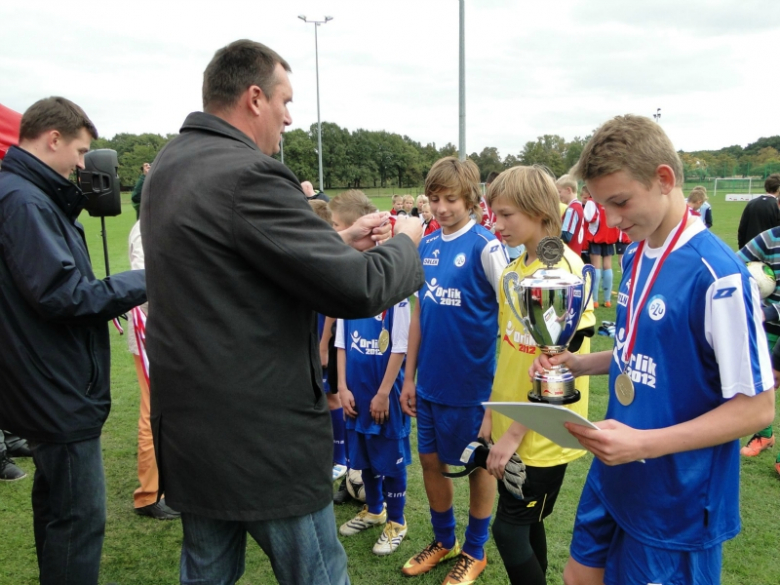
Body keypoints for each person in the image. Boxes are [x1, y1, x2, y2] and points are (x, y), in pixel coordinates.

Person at [141, 39, 424, 585]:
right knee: (317, 573)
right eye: (285, 102)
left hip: (192, 430)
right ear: (253, 98)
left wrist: (337, 241)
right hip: (260, 440)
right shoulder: (249, 174)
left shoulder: (172, 164)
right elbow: (360, 291)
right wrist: (406, 242)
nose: (289, 117)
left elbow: (232, 268)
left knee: (207, 570)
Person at [531, 114, 775, 585]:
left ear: (664, 179)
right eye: (603, 207)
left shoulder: (717, 276)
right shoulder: (637, 252)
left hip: (675, 493)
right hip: (616, 471)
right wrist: (578, 362)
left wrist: (642, 443)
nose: (615, 221)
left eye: (621, 202)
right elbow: (640, 352)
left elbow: (757, 408)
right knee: (577, 578)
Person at [0, 96, 146, 585]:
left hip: (46, 380)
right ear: (53, 138)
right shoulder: (22, 200)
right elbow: (64, 297)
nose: (83, 165)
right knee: (79, 520)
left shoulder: (27, 194)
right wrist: (146, 278)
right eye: (80, 152)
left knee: (60, 511)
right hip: (54, 387)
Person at [400, 157, 508, 585]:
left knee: (479, 468)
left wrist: (497, 397)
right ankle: (444, 540)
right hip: (429, 384)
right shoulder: (425, 244)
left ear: (471, 199)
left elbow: (513, 321)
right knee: (431, 463)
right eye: (434, 199)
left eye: (450, 199)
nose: (441, 208)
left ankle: (475, 550)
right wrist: (409, 378)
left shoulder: (487, 247)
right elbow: (419, 316)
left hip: (474, 389)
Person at [485, 165, 595, 585]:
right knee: (528, 524)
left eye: (507, 214)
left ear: (539, 212)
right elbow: (509, 349)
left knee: (508, 530)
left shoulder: (565, 269)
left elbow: (565, 351)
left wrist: (513, 435)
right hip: (511, 420)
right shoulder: (514, 272)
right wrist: (492, 417)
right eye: (494, 213)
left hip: (542, 433)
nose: (497, 224)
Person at [332, 189, 413, 556]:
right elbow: (342, 342)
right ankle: (375, 510)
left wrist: (384, 393)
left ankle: (397, 520)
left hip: (384, 393)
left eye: (336, 227)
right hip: (356, 391)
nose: (333, 234)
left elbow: (399, 345)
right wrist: (343, 386)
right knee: (362, 454)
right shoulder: (347, 280)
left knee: (389, 457)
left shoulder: (390, 281)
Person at [125, 220, 181, 520]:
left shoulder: (163, 218)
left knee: (170, 408)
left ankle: (171, 481)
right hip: (154, 329)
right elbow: (145, 285)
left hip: (170, 331)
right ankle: (148, 494)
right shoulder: (146, 227)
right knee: (152, 410)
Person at [737, 227, 780, 470]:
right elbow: (733, 263)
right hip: (768, 329)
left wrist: (767, 311)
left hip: (767, 316)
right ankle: (763, 434)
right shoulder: (770, 237)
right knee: (760, 384)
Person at [583, 192, 618, 308]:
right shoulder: (610, 198)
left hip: (596, 236)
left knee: (595, 267)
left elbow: (589, 217)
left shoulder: (592, 201)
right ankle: (607, 300)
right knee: (608, 266)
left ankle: (594, 300)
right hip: (610, 235)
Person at [737, 173, 780, 249]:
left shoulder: (751, 203)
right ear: (778, 189)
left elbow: (742, 229)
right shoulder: (776, 206)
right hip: (768, 252)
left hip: (750, 250)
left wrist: (743, 250)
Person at [556, 173, 585, 257]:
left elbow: (566, 236)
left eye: (559, 192)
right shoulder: (579, 206)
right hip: (575, 254)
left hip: (569, 255)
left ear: (568, 190)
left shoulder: (572, 209)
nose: (558, 195)